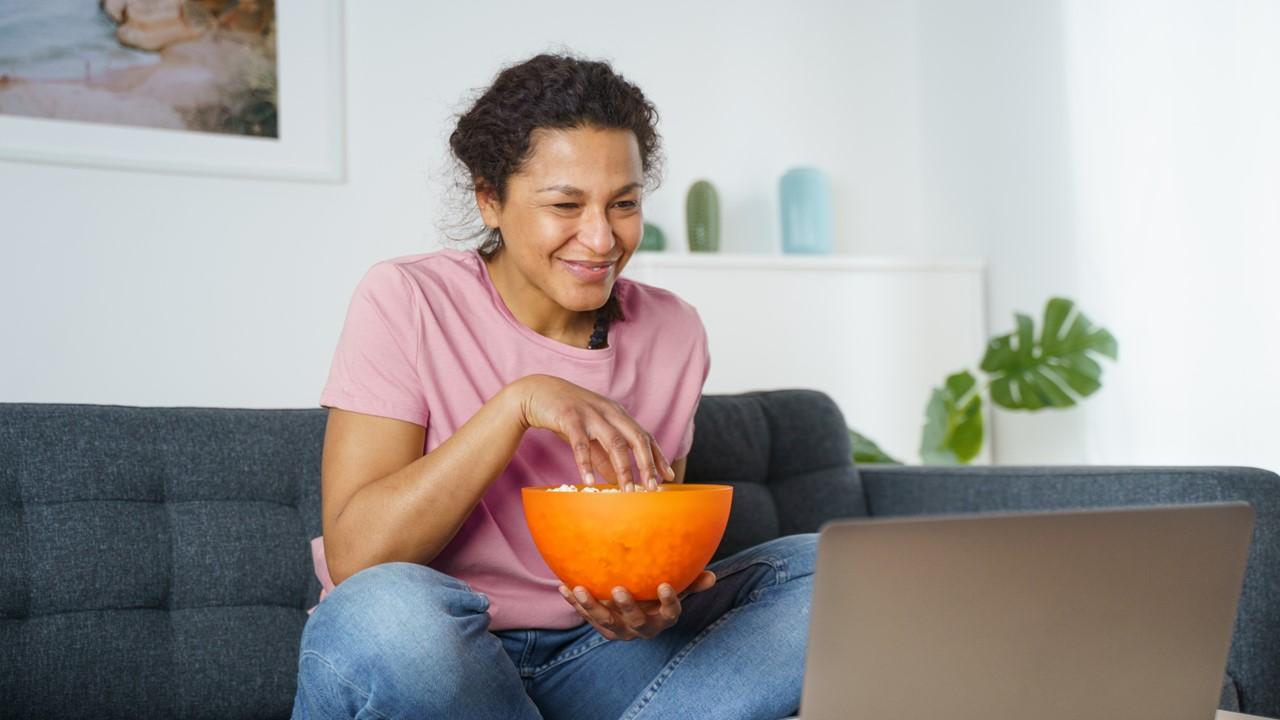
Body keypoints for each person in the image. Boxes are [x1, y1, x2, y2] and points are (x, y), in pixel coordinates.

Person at [292, 52, 816, 720]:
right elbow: (359, 556)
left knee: (825, 573)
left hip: (595, 660)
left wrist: (651, 604)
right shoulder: (407, 299)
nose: (600, 238)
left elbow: (648, 542)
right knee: (386, 612)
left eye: (622, 204)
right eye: (565, 204)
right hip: (438, 663)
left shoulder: (673, 331)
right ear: (491, 198)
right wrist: (519, 403)